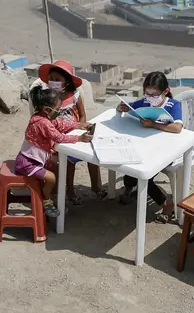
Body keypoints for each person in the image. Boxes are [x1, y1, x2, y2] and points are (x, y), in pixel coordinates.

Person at [13, 85, 93, 218]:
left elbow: (61, 124)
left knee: (54, 168)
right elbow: (58, 137)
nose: (59, 112)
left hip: (36, 159)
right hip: (28, 163)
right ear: (47, 109)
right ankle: (46, 201)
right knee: (51, 178)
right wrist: (79, 138)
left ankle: (49, 196)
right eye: (58, 109)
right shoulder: (42, 123)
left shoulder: (44, 118)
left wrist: (79, 125)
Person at [115, 71, 183, 224]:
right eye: (147, 94)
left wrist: (153, 124)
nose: (150, 98)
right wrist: (122, 107)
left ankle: (165, 203)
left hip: (165, 151)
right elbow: (130, 108)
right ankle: (129, 189)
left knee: (144, 175)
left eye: (155, 95)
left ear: (165, 91)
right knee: (129, 165)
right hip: (145, 146)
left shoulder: (173, 105)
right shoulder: (145, 103)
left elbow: (178, 128)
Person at [39, 60, 103, 203]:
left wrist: (81, 125)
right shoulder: (46, 99)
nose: (53, 82)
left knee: (92, 155)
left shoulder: (75, 95)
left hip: (75, 132)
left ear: (66, 82)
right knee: (69, 160)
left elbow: (82, 114)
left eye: (57, 80)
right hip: (56, 137)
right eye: (51, 79)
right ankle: (70, 191)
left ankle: (96, 187)